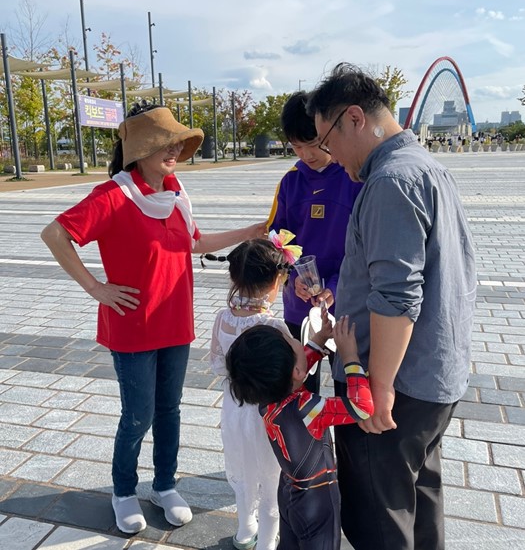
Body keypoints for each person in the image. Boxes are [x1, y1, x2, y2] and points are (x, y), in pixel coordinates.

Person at [40, 102, 266, 535]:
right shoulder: (113, 196)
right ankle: (123, 491)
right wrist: (96, 288)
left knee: (169, 411)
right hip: (132, 327)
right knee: (137, 416)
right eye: (165, 143)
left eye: (177, 143)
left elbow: (195, 243)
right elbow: (55, 234)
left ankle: (164, 485)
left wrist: (248, 232)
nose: (174, 150)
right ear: (140, 150)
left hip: (174, 323)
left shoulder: (176, 195)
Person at [306, 63, 477, 550]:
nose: (331, 156)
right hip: (432, 376)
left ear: (354, 118)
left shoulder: (390, 182)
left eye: (327, 141)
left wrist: (376, 389)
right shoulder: (427, 167)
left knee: (379, 519)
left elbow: (397, 296)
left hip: (393, 384)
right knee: (418, 503)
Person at [226, 316, 374, 550]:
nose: (298, 342)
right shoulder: (307, 408)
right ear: (295, 370)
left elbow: (296, 369)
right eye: (293, 341)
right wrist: (350, 358)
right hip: (317, 499)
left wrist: (320, 339)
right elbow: (362, 407)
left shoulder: (266, 397)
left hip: (288, 491)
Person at [204, 234, 300, 550]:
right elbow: (293, 373)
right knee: (271, 479)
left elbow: (217, 365)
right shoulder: (275, 327)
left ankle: (245, 532)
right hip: (266, 415)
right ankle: (267, 542)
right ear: (275, 282)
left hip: (234, 409)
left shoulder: (223, 319)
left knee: (244, 472)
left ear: (234, 278)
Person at [267, 91, 363, 393]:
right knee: (301, 388)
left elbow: (363, 247)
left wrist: (334, 286)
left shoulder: (352, 178)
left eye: (313, 144)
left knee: (347, 389)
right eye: (297, 146)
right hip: (300, 308)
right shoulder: (291, 182)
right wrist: (292, 276)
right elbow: (277, 238)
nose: (306, 154)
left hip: (345, 307)